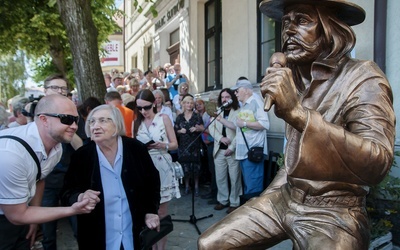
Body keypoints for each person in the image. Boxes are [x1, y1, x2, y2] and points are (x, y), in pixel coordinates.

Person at [198, 1, 395, 249]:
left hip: (334, 211)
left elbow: (378, 163)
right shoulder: (295, 77)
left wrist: (298, 114)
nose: (289, 31)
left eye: (302, 21)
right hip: (286, 197)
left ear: (329, 28)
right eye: (286, 22)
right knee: (210, 244)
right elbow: (293, 159)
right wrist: (268, 198)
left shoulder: (363, 77)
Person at [0, 95, 99, 250]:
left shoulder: (56, 148)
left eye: (76, 120)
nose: (74, 126)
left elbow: (39, 178)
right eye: (66, 119)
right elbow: (17, 216)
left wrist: (33, 219)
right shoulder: (11, 154)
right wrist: (72, 209)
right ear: (44, 119)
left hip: (18, 213)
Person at [61, 104, 160, 249]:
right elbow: (66, 192)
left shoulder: (136, 149)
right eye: (92, 122)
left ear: (117, 124)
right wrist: (80, 197)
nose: (95, 126)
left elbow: (153, 182)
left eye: (103, 120)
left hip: (133, 234)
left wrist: (151, 211)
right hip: (97, 236)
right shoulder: (81, 156)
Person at [134, 89, 181, 250]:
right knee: (147, 210)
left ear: (154, 103)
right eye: (139, 108)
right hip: (144, 166)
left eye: (146, 107)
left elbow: (175, 144)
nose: (143, 111)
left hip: (162, 164)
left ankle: (161, 248)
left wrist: (163, 145)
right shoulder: (137, 122)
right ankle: (151, 245)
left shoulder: (164, 118)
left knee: (161, 211)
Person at [231, 79, 269, 195]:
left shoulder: (256, 102)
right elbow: (238, 128)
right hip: (244, 153)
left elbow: (265, 124)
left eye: (237, 90)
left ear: (246, 90)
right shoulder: (244, 105)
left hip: (252, 152)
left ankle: (254, 212)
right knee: (248, 186)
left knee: (253, 188)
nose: (235, 93)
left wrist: (245, 124)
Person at [209, 88, 243, 214]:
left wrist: (231, 147)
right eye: (222, 97)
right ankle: (222, 200)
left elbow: (239, 132)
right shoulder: (218, 111)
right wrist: (220, 138)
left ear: (232, 98)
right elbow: (211, 128)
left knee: (234, 178)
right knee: (220, 178)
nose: (224, 99)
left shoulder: (238, 111)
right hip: (219, 150)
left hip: (232, 150)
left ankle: (234, 202)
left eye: (227, 97)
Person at [174, 94, 204, 196]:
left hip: (195, 143)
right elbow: (175, 130)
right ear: (183, 104)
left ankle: (196, 186)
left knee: (196, 166)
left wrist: (197, 129)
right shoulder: (179, 117)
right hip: (183, 144)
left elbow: (202, 127)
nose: (189, 105)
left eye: (191, 103)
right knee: (185, 166)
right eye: (187, 103)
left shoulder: (197, 116)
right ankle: (187, 186)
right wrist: (179, 131)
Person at [195, 99, 217, 203]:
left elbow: (213, 132)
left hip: (213, 145)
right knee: (211, 170)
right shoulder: (207, 116)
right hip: (208, 146)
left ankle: (215, 194)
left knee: (214, 170)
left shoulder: (213, 117)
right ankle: (213, 192)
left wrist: (201, 129)